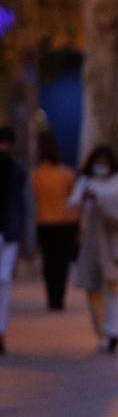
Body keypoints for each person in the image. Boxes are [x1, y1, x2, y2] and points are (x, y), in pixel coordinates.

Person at [69, 146, 118, 353]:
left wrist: (103, 202)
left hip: (113, 238)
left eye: (105, 162)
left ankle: (113, 330)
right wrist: (84, 198)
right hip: (91, 239)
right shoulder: (85, 181)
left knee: (112, 285)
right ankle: (101, 330)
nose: (101, 166)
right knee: (93, 288)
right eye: (98, 162)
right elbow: (73, 203)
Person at [30, 133, 79, 313]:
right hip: (64, 223)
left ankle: (51, 296)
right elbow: (74, 201)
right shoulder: (67, 174)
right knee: (62, 262)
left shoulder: (35, 175)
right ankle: (59, 296)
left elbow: (31, 200)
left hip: (43, 223)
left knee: (49, 261)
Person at [0, 127, 35, 353]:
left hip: (9, 232)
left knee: (4, 281)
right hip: (9, 230)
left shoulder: (18, 171)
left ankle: (1, 330)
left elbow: (26, 205)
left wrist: (28, 240)